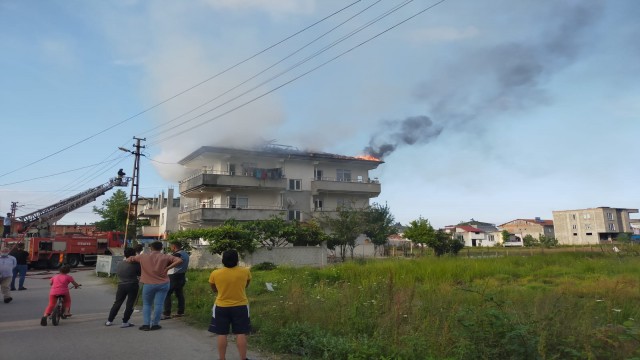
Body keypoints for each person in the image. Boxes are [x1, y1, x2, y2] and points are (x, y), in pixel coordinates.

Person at [125, 241, 182, 331]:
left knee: (147, 304)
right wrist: (168, 268)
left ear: (151, 248)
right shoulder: (166, 256)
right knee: (159, 304)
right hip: (163, 283)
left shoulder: (143, 256)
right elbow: (179, 260)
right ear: (161, 248)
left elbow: (129, 259)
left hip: (148, 284)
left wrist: (130, 259)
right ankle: (155, 324)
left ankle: (146, 324)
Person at [208, 250, 252, 360]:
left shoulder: (215, 273)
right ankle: (243, 358)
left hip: (221, 306)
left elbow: (214, 288)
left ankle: (222, 358)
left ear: (223, 260)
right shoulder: (245, 271)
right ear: (237, 260)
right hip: (241, 306)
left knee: (222, 334)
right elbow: (246, 285)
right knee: (241, 333)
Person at [105, 247, 141, 328]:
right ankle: (125, 322)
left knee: (117, 302)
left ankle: (109, 320)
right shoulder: (136, 264)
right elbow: (140, 273)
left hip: (121, 285)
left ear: (125, 254)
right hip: (132, 285)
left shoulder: (120, 263)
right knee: (130, 304)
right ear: (134, 254)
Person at [162, 241, 190, 319]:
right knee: (179, 294)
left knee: (167, 293)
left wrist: (167, 267)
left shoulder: (177, 255)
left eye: (171, 247)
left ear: (174, 247)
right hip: (182, 275)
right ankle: (181, 312)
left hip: (174, 276)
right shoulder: (185, 254)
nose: (171, 248)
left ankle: (167, 313)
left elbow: (167, 263)